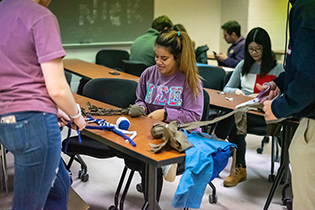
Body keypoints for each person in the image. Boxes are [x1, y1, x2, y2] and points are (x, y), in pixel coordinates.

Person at [0, 0, 86, 209]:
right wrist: (76, 115)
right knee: (28, 204)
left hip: (7, 121)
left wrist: (51, 108)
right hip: (35, 125)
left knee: (59, 187)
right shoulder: (40, 16)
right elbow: (57, 88)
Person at [125, 29, 203, 201]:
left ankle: (152, 200)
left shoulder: (190, 80)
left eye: (164, 58)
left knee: (150, 156)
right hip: (152, 131)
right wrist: (141, 107)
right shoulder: (148, 74)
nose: (158, 62)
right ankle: (152, 200)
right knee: (137, 152)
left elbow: (194, 116)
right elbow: (141, 99)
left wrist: (166, 113)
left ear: (178, 58)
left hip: (183, 132)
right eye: (156, 56)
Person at [259, 0, 315, 209]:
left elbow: (309, 78)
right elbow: (305, 63)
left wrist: (278, 108)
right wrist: (281, 82)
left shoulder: (308, 8)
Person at [214, 27, 284, 187]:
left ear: (266, 48)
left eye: (258, 49)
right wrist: (239, 92)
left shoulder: (277, 67)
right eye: (251, 49)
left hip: (267, 117)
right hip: (244, 113)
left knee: (232, 119)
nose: (254, 52)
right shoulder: (242, 65)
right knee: (234, 117)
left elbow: (284, 92)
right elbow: (227, 89)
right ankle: (240, 167)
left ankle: (216, 148)